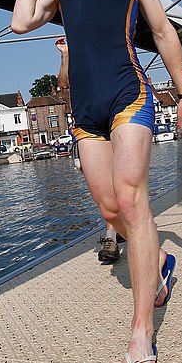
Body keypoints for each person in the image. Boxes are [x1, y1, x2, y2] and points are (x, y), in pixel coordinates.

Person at [12, 0, 182, 363]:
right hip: (85, 111)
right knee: (110, 209)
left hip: (128, 94)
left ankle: (140, 331)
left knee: (132, 204)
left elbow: (161, 31)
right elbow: (22, 19)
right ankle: (158, 259)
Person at [57, 36, 123, 263]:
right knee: (101, 185)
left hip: (117, 117)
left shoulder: (108, 46)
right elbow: (64, 84)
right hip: (87, 123)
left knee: (122, 180)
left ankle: (115, 232)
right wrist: (65, 55)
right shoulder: (75, 56)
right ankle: (114, 232)